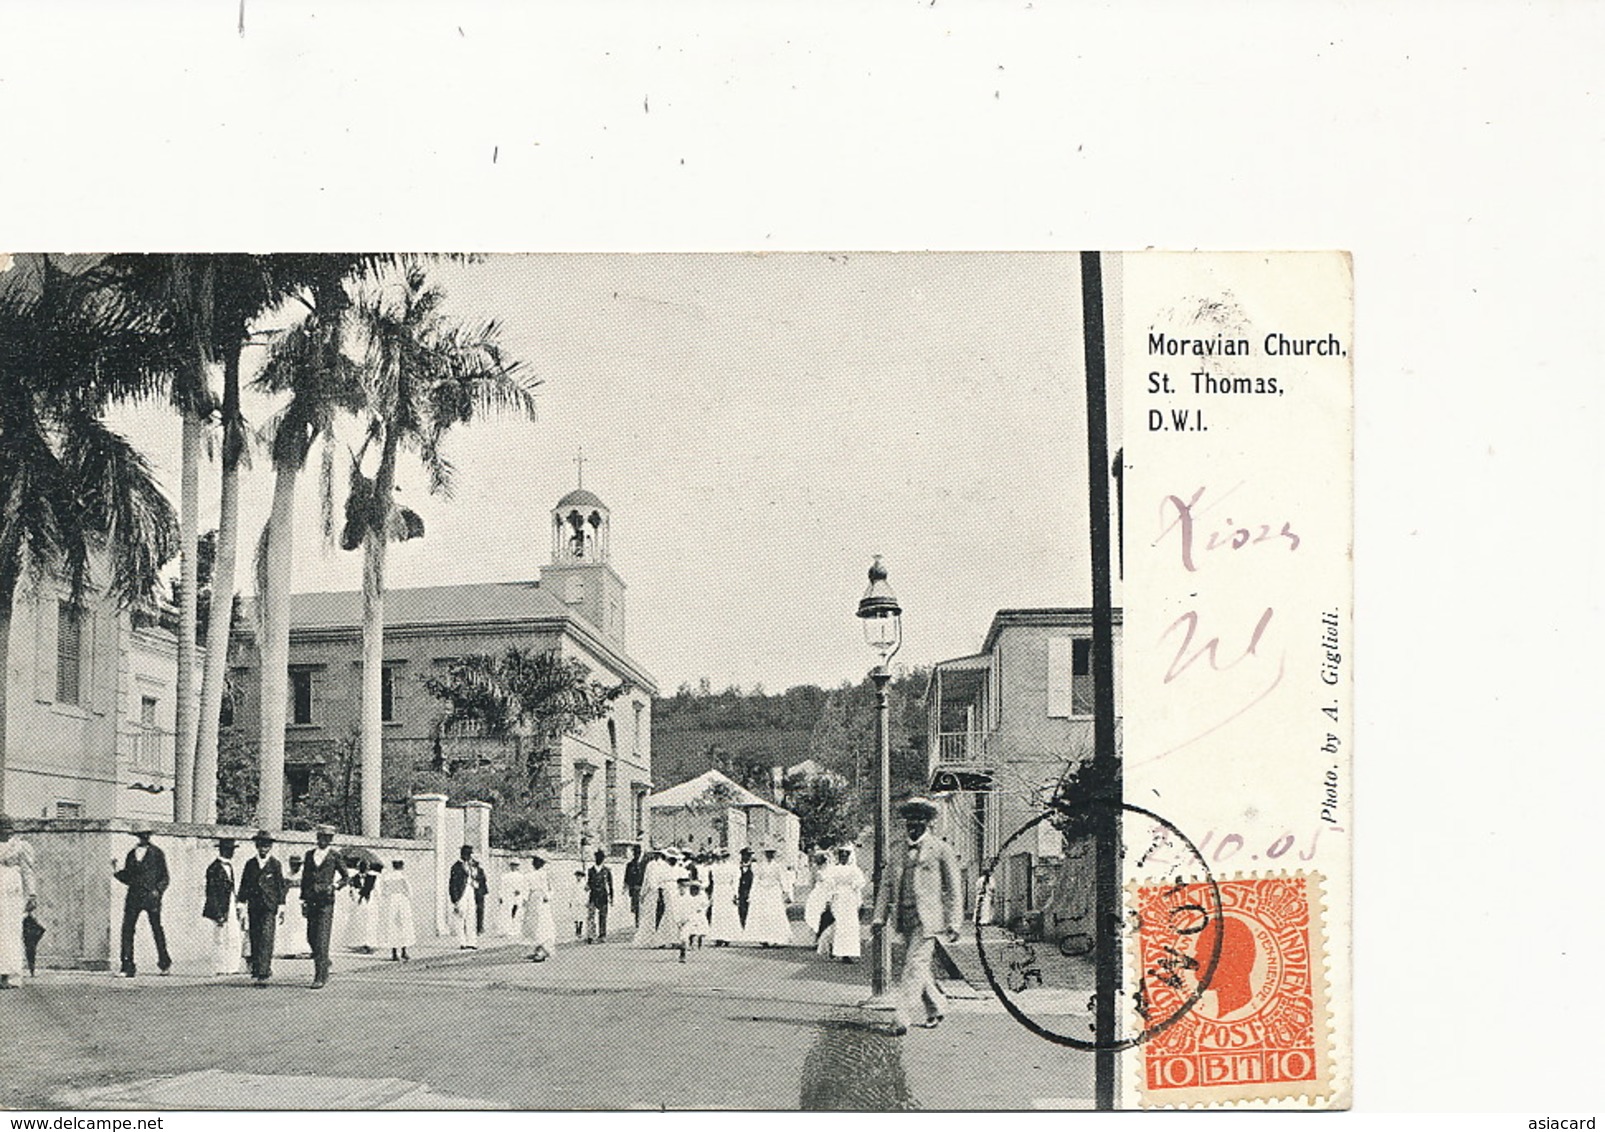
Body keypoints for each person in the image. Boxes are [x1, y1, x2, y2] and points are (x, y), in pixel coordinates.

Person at [872, 797, 964, 1035]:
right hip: (904, 918)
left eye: (918, 824)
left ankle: (902, 1017)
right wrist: (879, 917)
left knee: (914, 966)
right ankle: (936, 1006)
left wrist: (954, 921)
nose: (913, 828)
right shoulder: (897, 850)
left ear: (928, 825)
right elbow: (886, 885)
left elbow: (954, 889)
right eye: (909, 824)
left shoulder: (941, 849)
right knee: (918, 967)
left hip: (929, 920)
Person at [113, 823, 171, 976]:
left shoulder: (157, 853)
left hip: (151, 897)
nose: (144, 837)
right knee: (127, 929)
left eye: (146, 834)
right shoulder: (131, 854)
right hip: (133, 896)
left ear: (149, 836)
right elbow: (128, 876)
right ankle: (127, 965)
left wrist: (157, 891)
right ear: (137, 837)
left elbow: (164, 877)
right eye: (141, 835)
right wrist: (116, 872)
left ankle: (164, 962)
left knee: (156, 929)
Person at [301, 824, 350, 988]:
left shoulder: (334, 856)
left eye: (327, 838)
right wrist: (303, 900)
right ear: (317, 838)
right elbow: (305, 879)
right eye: (321, 837)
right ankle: (325, 961)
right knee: (311, 937)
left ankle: (320, 976)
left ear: (331, 840)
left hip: (326, 901)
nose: (324, 840)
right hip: (311, 900)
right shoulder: (309, 855)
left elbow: (346, 877)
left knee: (322, 938)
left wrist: (334, 886)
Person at [236, 831, 287, 985]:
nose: (263, 848)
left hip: (269, 905)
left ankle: (263, 973)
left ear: (270, 847)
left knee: (266, 937)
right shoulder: (250, 864)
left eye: (266, 845)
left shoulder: (275, 864)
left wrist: (282, 906)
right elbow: (244, 884)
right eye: (261, 845)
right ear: (256, 846)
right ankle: (258, 967)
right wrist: (240, 903)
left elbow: (280, 886)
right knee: (256, 937)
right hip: (254, 905)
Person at [0, 817, 39, 990]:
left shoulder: (20, 846)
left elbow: (28, 871)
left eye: (9, 828)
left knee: (11, 931)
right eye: (3, 828)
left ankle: (11, 975)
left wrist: (32, 894)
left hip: (12, 894)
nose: (7, 831)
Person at [202, 837, 244, 976]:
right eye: (229, 850)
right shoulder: (214, 868)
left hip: (230, 903)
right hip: (220, 905)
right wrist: (218, 912)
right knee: (220, 937)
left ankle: (232, 966)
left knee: (232, 935)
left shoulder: (229, 866)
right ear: (222, 850)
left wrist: (237, 905)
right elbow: (211, 892)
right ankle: (220, 967)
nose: (231, 853)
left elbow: (232, 888)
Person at [817, 845, 866, 963]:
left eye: (846, 855)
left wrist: (855, 885)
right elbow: (828, 885)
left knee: (850, 925)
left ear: (849, 857)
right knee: (838, 923)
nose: (843, 857)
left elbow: (861, 881)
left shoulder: (854, 869)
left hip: (850, 898)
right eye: (841, 855)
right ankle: (834, 947)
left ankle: (847, 952)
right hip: (838, 898)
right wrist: (828, 900)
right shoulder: (834, 869)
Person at [746, 846, 793, 948]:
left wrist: (786, 892)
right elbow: (756, 880)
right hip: (762, 891)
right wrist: (752, 893)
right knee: (763, 913)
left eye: (771, 853)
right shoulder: (760, 866)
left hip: (774, 891)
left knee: (774, 912)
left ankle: (776, 938)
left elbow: (782, 879)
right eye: (768, 853)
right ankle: (764, 938)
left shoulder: (778, 866)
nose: (769, 855)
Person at [376, 859, 415, 962]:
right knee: (403, 925)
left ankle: (394, 952)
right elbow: (409, 891)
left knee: (392, 925)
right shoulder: (403, 877)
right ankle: (403, 951)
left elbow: (382, 891)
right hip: (402, 902)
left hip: (390, 903)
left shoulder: (387, 877)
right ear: (402, 866)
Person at [448, 845, 484, 949]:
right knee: (460, 916)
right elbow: (452, 884)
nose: (469, 857)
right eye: (468, 854)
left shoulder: (472, 866)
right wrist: (454, 899)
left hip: (470, 890)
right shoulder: (456, 867)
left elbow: (476, 878)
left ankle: (471, 941)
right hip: (461, 893)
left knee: (471, 916)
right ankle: (462, 942)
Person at [707, 849, 743, 947]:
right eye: (722, 856)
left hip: (727, 890)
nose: (723, 859)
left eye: (725, 856)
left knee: (727, 912)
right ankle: (719, 936)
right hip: (719, 890)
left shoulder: (733, 868)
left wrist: (735, 894)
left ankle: (727, 936)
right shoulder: (714, 868)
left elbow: (736, 882)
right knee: (718, 912)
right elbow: (712, 882)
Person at [524, 855, 556, 962]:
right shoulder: (529, 875)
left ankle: (543, 951)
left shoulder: (546, 874)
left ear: (541, 863)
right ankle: (537, 949)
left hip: (542, 900)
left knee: (542, 924)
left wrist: (547, 896)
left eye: (537, 861)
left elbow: (552, 888)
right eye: (534, 861)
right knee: (533, 924)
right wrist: (525, 899)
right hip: (533, 899)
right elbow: (526, 888)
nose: (534, 863)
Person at [344, 860, 378, 953]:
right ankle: (360, 944)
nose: (364, 869)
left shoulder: (373, 878)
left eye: (365, 867)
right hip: (358, 904)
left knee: (369, 924)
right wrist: (357, 896)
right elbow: (351, 892)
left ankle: (369, 944)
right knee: (359, 923)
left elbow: (376, 891)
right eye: (362, 867)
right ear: (358, 868)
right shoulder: (353, 878)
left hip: (370, 903)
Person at [585, 849, 614, 943]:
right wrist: (587, 886)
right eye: (598, 857)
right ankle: (591, 935)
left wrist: (612, 898)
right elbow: (588, 883)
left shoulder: (606, 871)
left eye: (601, 858)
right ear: (595, 858)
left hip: (603, 895)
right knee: (591, 916)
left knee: (603, 916)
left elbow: (610, 885)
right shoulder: (591, 870)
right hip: (593, 895)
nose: (600, 859)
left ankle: (602, 935)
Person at [501, 859, 528, 937]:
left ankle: (515, 930)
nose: (514, 867)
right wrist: (502, 896)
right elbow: (502, 887)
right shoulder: (505, 876)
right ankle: (508, 930)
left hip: (517, 897)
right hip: (508, 896)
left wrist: (523, 896)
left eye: (516, 865)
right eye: (513, 865)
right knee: (508, 913)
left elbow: (524, 887)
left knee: (517, 913)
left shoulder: (521, 877)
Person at [623, 845, 646, 926]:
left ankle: (641, 920)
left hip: (643, 887)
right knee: (636, 906)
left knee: (643, 905)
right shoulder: (630, 864)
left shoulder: (644, 864)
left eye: (638, 852)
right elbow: (627, 876)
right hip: (634, 888)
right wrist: (625, 887)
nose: (637, 854)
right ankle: (637, 920)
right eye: (635, 853)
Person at [736, 847, 756, 935]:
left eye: (749, 855)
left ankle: (749, 928)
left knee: (750, 909)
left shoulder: (754, 867)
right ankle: (741, 927)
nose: (747, 857)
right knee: (741, 908)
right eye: (745, 855)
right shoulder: (738, 867)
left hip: (750, 889)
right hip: (740, 890)